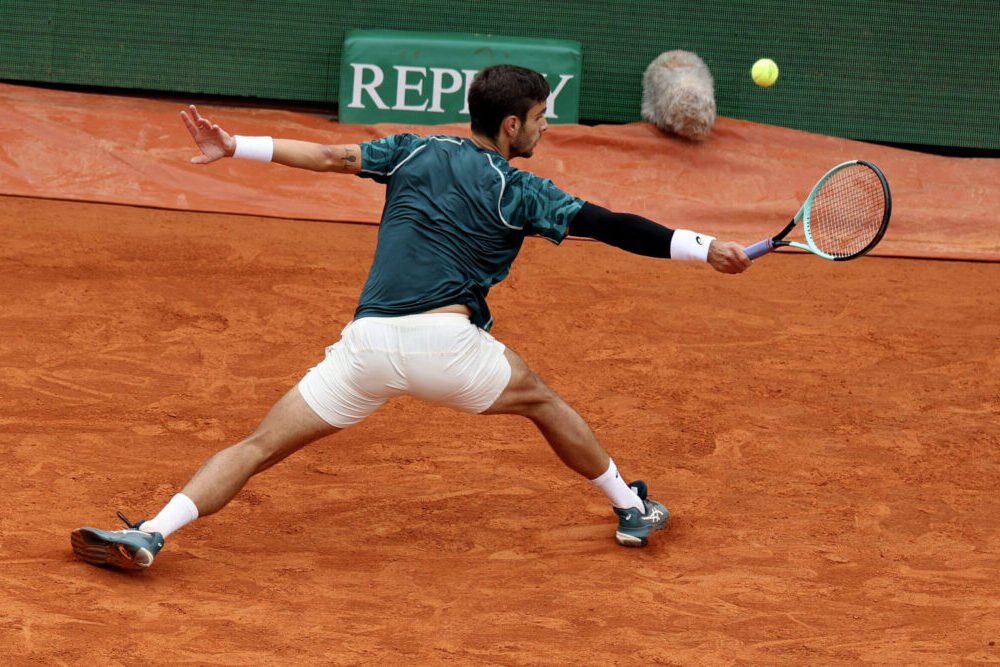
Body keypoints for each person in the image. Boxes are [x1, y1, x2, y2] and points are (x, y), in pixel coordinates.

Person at [71, 64, 751, 571]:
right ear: (511, 125)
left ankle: (153, 531)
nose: (547, 126)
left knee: (257, 445)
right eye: (542, 116)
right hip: (447, 347)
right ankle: (631, 507)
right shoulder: (521, 190)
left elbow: (335, 156)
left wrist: (237, 145)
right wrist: (702, 247)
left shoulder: (415, 149)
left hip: (365, 348)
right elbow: (609, 224)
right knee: (542, 400)